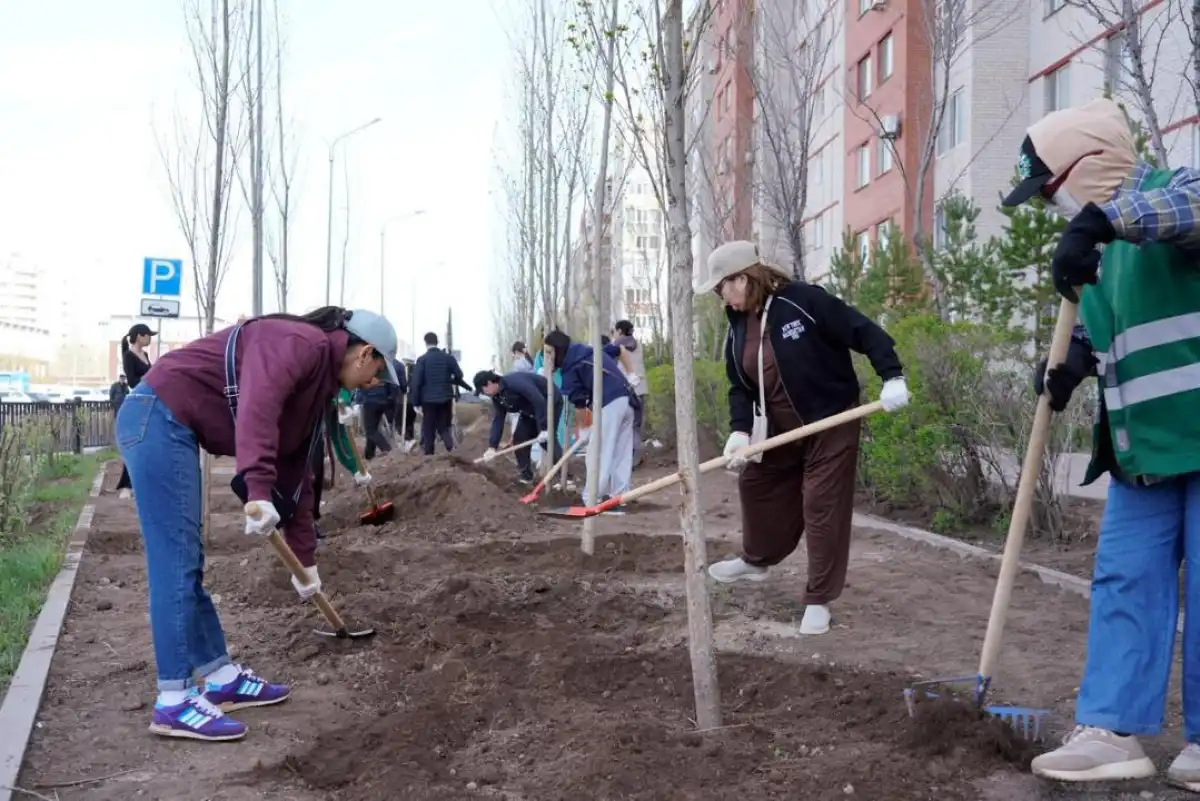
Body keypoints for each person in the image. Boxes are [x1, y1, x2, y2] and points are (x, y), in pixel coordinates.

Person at [990, 100, 1200, 788]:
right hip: (1143, 454)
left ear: (1087, 166)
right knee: (1122, 581)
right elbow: (1125, 322)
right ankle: (1110, 727)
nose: (1057, 210)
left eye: (1052, 192)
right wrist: (1077, 359)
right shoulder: (1099, 256)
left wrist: (1104, 219)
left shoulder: (1170, 192)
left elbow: (1185, 214)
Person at [116, 306, 398, 742]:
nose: (376, 383)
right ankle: (173, 700)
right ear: (365, 353)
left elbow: (299, 472)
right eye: (380, 371)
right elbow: (258, 406)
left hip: (172, 425)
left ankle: (220, 676)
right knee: (176, 563)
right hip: (156, 415)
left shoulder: (318, 389)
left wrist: (305, 562)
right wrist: (259, 488)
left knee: (186, 563)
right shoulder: (297, 344)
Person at [694, 240, 909, 636]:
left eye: (722, 285)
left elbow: (864, 331)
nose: (719, 295)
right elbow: (738, 386)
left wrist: (892, 376)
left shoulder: (803, 302)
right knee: (757, 482)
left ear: (743, 278)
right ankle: (757, 561)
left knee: (821, 503)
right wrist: (739, 431)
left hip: (831, 419)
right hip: (779, 427)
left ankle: (818, 599)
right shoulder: (737, 324)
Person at [544, 329, 640, 505]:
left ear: (557, 350)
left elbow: (579, 404)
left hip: (610, 403)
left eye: (549, 352)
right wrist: (631, 373)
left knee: (598, 453)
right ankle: (619, 497)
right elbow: (619, 349)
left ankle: (591, 498)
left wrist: (583, 430)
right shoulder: (588, 351)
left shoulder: (571, 367)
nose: (548, 357)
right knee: (621, 453)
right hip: (628, 402)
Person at [474, 369, 562, 483]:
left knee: (546, 441)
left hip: (549, 403)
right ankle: (526, 476)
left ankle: (566, 476)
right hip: (529, 411)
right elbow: (499, 419)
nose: (483, 394)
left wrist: (544, 428)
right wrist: (492, 446)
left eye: (482, 391)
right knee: (520, 439)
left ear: (489, 383)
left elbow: (538, 399)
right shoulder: (497, 397)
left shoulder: (515, 383)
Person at [410, 332, 470, 455]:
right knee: (443, 426)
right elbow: (459, 375)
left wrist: (415, 402)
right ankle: (451, 448)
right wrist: (449, 379)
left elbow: (416, 382)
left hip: (428, 400)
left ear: (425, 343)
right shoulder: (448, 358)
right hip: (445, 397)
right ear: (437, 342)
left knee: (429, 427)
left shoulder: (422, 360)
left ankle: (429, 454)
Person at [115, 323, 156, 499]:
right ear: (139, 336)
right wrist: (149, 378)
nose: (150, 339)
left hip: (151, 402)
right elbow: (132, 381)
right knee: (135, 443)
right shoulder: (129, 356)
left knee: (150, 443)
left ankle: (142, 482)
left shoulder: (145, 355)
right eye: (148, 336)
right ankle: (126, 485)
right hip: (138, 403)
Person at [605, 320, 649, 465]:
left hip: (626, 389)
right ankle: (637, 456)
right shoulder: (638, 344)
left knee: (624, 425)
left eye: (615, 331)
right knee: (636, 424)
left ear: (619, 331)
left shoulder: (617, 346)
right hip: (641, 388)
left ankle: (628, 459)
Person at [353, 377, 394, 460]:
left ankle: (386, 447)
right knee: (373, 429)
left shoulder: (367, 371)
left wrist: (357, 400)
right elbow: (391, 385)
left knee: (370, 430)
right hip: (383, 400)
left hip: (370, 401)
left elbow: (361, 386)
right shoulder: (383, 371)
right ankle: (369, 454)